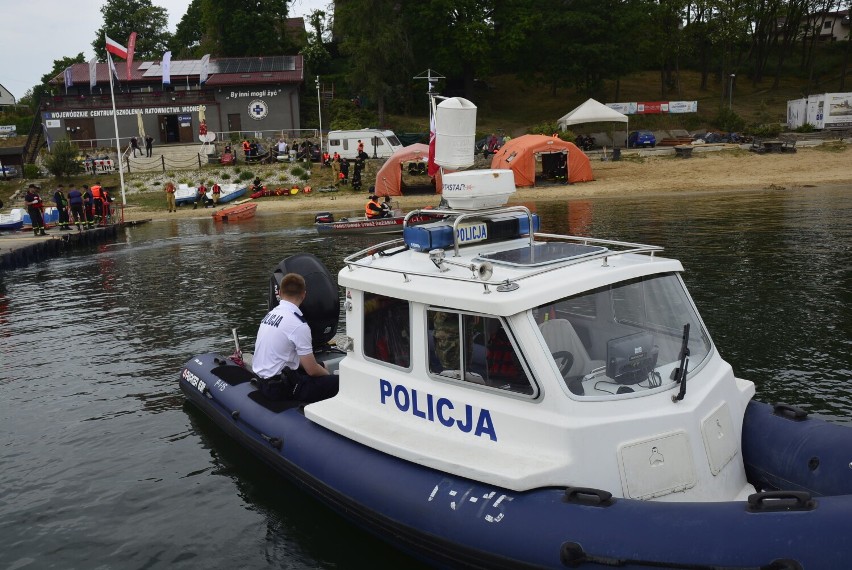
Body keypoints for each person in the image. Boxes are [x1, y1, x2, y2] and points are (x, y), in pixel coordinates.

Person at [252, 273, 339, 403]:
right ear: (304, 295)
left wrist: (320, 367)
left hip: (263, 381)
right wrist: (327, 375)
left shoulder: (271, 314)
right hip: (279, 389)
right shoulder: (298, 324)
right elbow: (312, 370)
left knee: (321, 366)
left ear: (280, 293)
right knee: (339, 383)